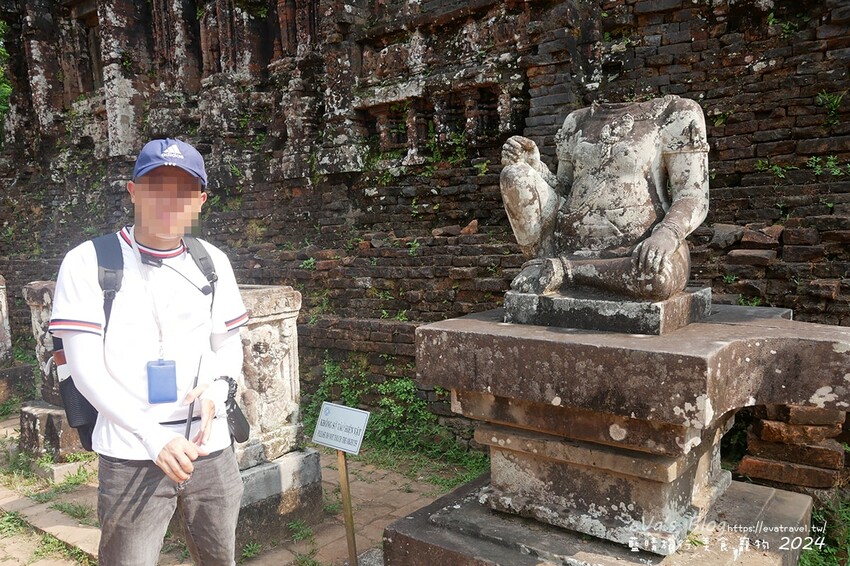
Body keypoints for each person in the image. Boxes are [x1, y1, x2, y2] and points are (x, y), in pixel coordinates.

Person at [49, 138, 248, 565]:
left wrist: (219, 388)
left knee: (220, 558)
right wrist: (151, 434)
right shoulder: (89, 262)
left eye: (183, 191)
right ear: (134, 191)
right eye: (156, 186)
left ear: (200, 200)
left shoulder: (211, 261)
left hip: (209, 449)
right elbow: (85, 369)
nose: (169, 201)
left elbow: (227, 343)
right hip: (131, 453)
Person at [500, 94, 710, 300]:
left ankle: (562, 272)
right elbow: (565, 190)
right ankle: (548, 264)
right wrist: (534, 166)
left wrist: (667, 235)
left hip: (636, 251)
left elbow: (692, 195)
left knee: (656, 278)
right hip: (570, 241)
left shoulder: (676, 113)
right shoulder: (576, 120)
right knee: (514, 175)